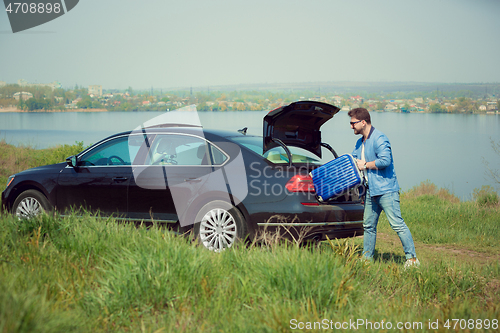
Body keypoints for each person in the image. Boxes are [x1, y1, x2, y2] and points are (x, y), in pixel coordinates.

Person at [348, 107, 419, 268]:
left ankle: (412, 259)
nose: (351, 126)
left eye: (353, 123)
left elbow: (385, 161)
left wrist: (365, 165)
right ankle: (367, 260)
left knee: (397, 224)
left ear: (363, 122)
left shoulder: (380, 138)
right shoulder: (360, 143)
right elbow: (354, 161)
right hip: (370, 191)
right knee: (368, 226)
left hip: (386, 190)